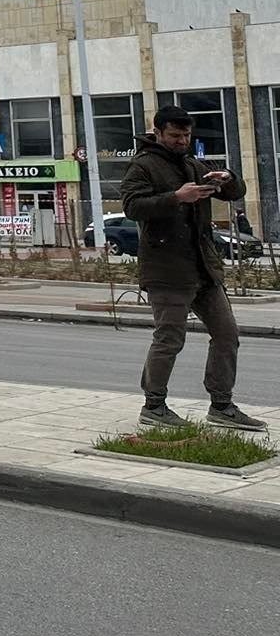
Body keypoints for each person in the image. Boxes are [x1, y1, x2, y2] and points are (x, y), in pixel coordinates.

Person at [122, 106, 266, 431]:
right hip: (166, 269)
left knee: (227, 334)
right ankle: (154, 406)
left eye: (186, 135)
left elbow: (235, 192)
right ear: (157, 133)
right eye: (175, 135)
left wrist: (227, 178)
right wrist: (176, 197)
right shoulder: (142, 166)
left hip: (204, 268)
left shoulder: (190, 164)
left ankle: (222, 405)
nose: (181, 140)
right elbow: (132, 207)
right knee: (170, 337)